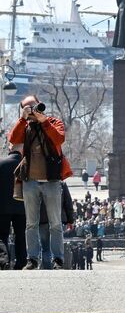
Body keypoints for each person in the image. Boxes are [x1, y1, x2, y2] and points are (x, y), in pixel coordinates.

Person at [10, 95, 71, 270]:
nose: (33, 110)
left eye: (34, 106)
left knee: (55, 223)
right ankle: (32, 259)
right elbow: (14, 139)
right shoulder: (25, 126)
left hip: (52, 180)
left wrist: (44, 122)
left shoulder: (53, 122)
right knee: (31, 223)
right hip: (31, 181)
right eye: (28, 107)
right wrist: (23, 119)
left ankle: (58, 259)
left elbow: (59, 139)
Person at [0, 136, 27, 269]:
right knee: (21, 236)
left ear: (10, 148)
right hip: (22, 207)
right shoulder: (27, 165)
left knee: (2, 236)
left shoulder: (1, 163)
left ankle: (3, 261)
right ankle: (21, 263)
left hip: (2, 208)